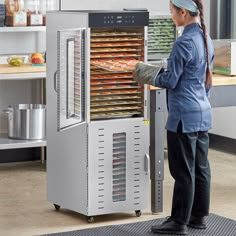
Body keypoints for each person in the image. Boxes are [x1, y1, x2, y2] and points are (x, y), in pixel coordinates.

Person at [133, 0, 214, 235]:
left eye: (171, 12)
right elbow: (203, 81)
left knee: (182, 171)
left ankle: (178, 222)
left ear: (182, 12)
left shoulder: (183, 42)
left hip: (182, 117)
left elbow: (170, 80)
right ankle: (197, 217)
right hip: (202, 113)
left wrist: (142, 72)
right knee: (200, 167)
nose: (170, 16)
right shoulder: (205, 38)